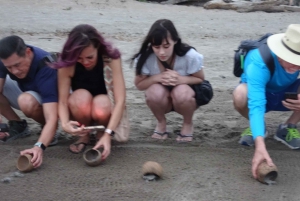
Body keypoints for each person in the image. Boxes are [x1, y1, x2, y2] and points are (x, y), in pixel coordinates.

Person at [232, 24, 300, 179]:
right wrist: (260, 147)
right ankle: (258, 129)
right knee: (240, 94)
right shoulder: (259, 61)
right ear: (281, 53)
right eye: (292, 60)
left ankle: (288, 127)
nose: (296, 66)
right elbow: (256, 104)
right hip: (259, 95)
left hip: (287, 95)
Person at [53, 24, 127, 160]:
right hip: (80, 107)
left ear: (98, 47)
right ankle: (84, 134)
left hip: (104, 106)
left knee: (101, 104)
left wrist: (108, 134)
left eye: (90, 57)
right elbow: (62, 101)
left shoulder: (111, 58)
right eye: (79, 59)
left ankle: (101, 133)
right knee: (80, 97)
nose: (85, 62)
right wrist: (64, 123)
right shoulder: (67, 63)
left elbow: (120, 100)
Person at [132, 19, 205, 142]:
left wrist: (180, 79)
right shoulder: (145, 58)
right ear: (151, 44)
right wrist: (157, 77)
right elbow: (139, 85)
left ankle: (187, 123)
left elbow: (200, 79)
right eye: (156, 47)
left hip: (184, 99)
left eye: (166, 46)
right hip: (161, 99)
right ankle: (161, 122)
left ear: (175, 41)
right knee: (153, 92)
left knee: (181, 92)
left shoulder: (190, 56)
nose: (161, 52)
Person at [0, 35, 59, 168]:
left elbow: (52, 117)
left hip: (50, 99)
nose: (14, 71)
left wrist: (39, 147)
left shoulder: (45, 65)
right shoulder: (6, 60)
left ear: (28, 53)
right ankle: (18, 124)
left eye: (18, 65)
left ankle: (50, 132)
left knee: (26, 101)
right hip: (25, 89)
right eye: (9, 68)